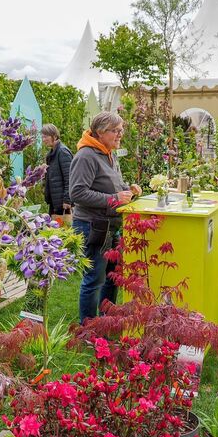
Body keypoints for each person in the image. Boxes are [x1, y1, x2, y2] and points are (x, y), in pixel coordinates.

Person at [69, 112, 142, 323]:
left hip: (111, 225)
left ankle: (107, 321)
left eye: (121, 130)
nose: (121, 134)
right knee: (94, 279)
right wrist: (114, 198)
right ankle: (89, 328)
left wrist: (127, 190)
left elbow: (108, 187)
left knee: (113, 277)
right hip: (93, 227)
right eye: (116, 130)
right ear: (101, 132)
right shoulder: (86, 156)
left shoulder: (109, 153)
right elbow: (77, 193)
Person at [41, 124, 73, 218]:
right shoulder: (52, 154)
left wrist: (67, 200)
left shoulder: (62, 152)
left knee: (64, 230)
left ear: (54, 136)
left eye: (45, 136)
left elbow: (70, 178)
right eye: (42, 137)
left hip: (63, 204)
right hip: (55, 202)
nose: (43, 140)